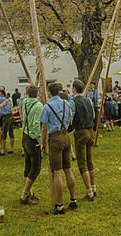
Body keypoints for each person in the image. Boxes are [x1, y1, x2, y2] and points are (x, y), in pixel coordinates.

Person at [40, 81, 77, 215]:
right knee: (68, 169)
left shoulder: (47, 106)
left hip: (55, 138)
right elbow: (70, 120)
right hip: (66, 136)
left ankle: (59, 205)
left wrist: (43, 143)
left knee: (57, 172)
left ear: (49, 92)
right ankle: (73, 199)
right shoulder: (66, 103)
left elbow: (44, 128)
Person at [70, 79, 97, 201]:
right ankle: (94, 187)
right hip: (90, 130)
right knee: (90, 161)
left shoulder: (73, 102)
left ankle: (89, 192)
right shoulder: (88, 100)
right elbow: (94, 115)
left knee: (82, 163)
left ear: (74, 89)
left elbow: (71, 118)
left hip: (80, 131)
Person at [19, 85, 43, 205]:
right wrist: (41, 141)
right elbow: (36, 126)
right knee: (35, 168)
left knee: (28, 165)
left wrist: (36, 79)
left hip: (25, 135)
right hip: (33, 139)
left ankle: (29, 193)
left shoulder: (25, 102)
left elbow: (30, 91)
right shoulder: (39, 106)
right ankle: (24, 194)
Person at [0, 87, 15, 155]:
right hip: (10, 116)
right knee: (11, 132)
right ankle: (11, 148)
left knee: (4, 133)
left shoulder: (2, 98)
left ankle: (3, 150)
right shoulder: (5, 99)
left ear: (2, 94)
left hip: (6, 117)